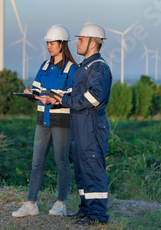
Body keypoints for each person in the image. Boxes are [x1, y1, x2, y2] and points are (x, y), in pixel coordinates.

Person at [12, 24, 78, 218]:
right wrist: (30, 94)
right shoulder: (44, 65)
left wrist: (54, 97)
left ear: (62, 44)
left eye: (52, 42)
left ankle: (61, 203)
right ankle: (31, 203)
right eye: (47, 42)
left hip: (61, 119)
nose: (49, 46)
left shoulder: (72, 69)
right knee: (36, 162)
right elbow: (38, 90)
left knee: (61, 162)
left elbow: (72, 95)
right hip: (43, 119)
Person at [51, 22, 112, 225]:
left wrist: (64, 101)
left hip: (92, 126)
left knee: (93, 169)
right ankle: (86, 209)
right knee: (82, 169)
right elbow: (77, 94)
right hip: (80, 125)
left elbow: (93, 98)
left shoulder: (99, 68)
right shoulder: (85, 67)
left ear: (93, 44)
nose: (77, 43)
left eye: (81, 40)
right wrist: (55, 97)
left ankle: (98, 215)